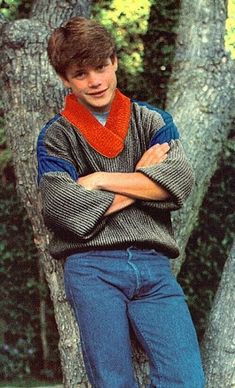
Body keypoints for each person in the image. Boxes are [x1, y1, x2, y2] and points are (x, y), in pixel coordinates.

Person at [37, 16, 205, 388]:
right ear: (65, 78)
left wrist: (99, 180)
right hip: (91, 267)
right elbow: (61, 206)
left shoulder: (152, 121)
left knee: (187, 379)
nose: (95, 81)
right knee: (112, 381)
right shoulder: (57, 136)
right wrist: (144, 180)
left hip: (153, 265)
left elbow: (179, 180)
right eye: (81, 74)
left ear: (114, 61)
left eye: (101, 67)